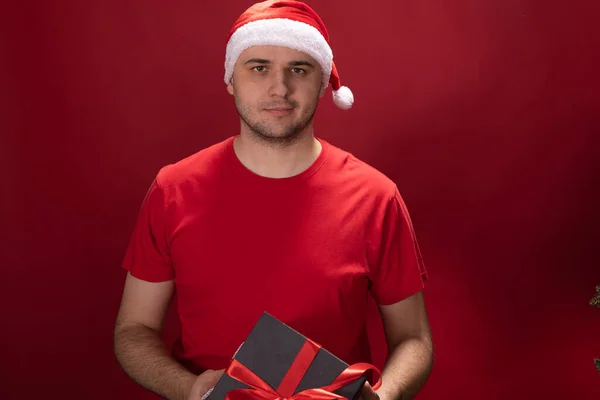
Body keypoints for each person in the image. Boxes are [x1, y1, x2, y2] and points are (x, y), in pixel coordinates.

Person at [113, 1, 434, 400]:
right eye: (259, 67)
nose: (279, 88)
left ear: (322, 82)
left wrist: (385, 397)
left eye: (299, 69)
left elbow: (413, 338)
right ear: (231, 78)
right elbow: (134, 330)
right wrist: (189, 390)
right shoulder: (173, 189)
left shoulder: (376, 197)